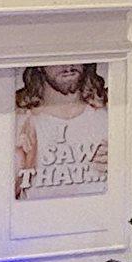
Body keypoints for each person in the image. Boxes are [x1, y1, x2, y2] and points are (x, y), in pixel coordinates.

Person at [13, 63, 108, 199]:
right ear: (39, 66)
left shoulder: (106, 114)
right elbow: (0, 199)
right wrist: (23, 161)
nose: (68, 65)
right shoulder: (20, 120)